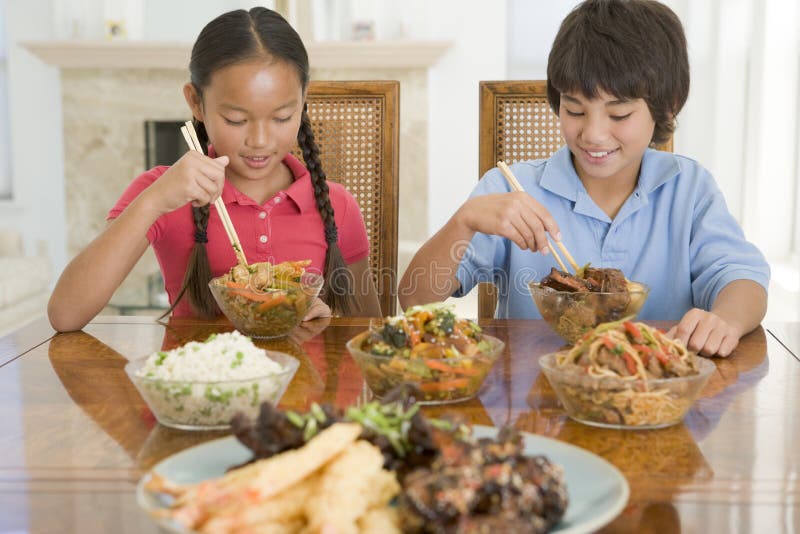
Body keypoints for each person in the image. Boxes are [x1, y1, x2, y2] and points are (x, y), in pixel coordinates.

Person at [399, 0, 769, 357]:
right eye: (574, 109)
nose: (593, 134)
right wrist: (463, 222)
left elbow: (741, 278)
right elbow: (414, 298)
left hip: (653, 398)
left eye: (619, 114)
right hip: (537, 405)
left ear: (667, 105)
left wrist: (724, 321)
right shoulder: (511, 189)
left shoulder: (688, 189)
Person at [48, 7, 381, 332]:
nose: (260, 140)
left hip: (301, 382)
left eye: (281, 117)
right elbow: (65, 314)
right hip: (197, 383)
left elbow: (367, 331)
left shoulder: (337, 205)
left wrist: (324, 320)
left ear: (302, 101)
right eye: (236, 120)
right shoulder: (164, 192)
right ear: (196, 103)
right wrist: (154, 202)